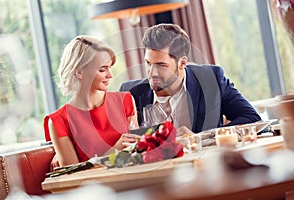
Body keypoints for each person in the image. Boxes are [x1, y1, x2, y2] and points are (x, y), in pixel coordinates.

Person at [119, 23, 261, 135]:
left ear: (182, 63)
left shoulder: (211, 80)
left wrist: (199, 137)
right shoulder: (130, 93)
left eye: (161, 65)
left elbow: (252, 118)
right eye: (148, 63)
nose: (152, 72)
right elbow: (115, 143)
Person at [43, 35, 139, 167]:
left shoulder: (125, 101)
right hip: (96, 187)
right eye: (102, 69)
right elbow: (73, 176)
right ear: (79, 73)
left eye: (109, 67)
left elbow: (139, 150)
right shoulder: (58, 121)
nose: (110, 75)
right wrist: (113, 151)